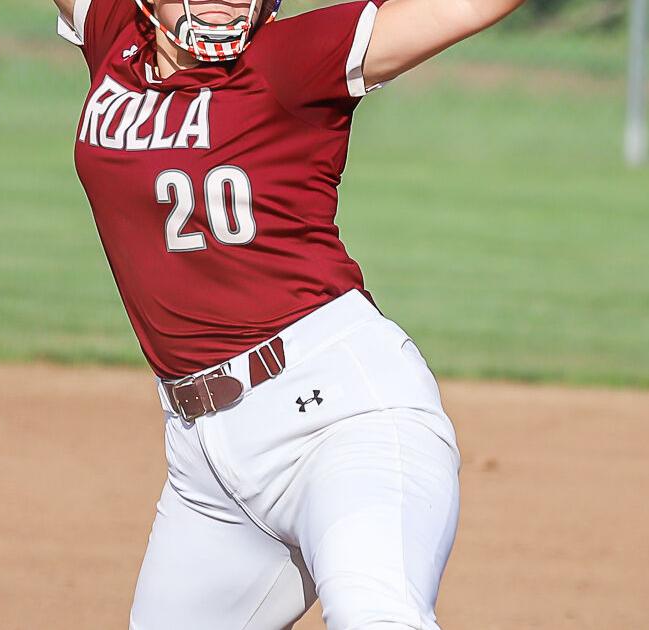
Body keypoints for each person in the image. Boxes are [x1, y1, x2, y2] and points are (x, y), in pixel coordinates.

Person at [51, 0, 521, 626]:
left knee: (374, 615)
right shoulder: (113, 35)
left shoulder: (290, 60)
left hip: (342, 423)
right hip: (205, 472)